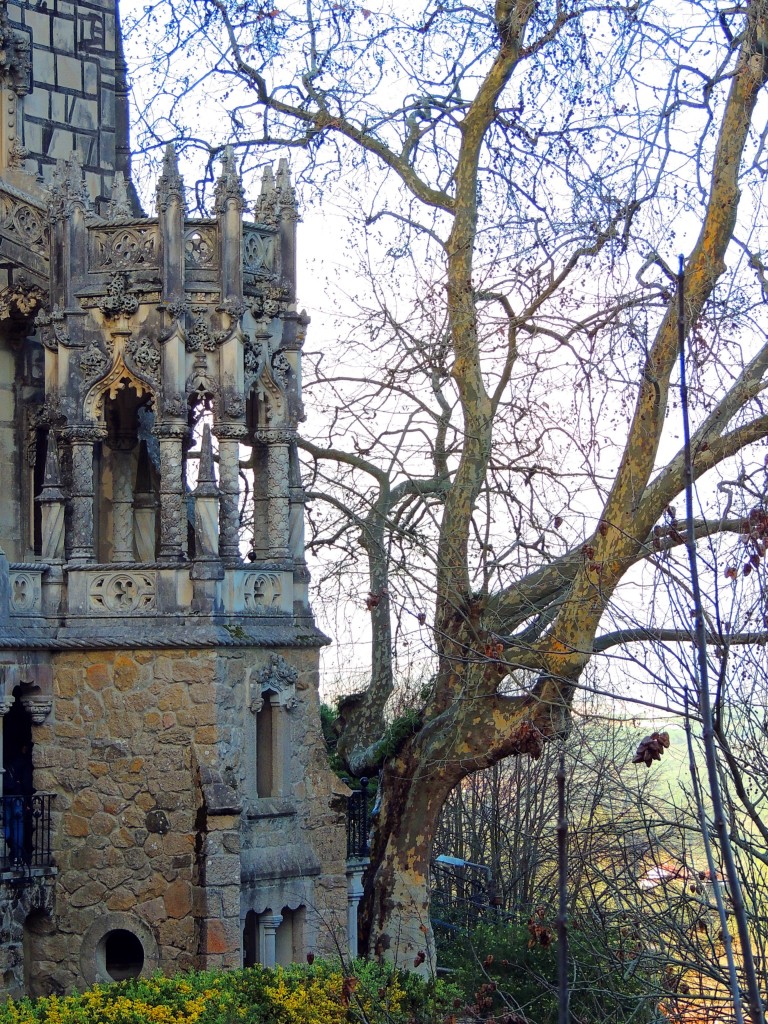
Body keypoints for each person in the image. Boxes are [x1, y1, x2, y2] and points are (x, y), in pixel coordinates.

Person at [4, 743, 33, 866]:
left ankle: (4, 849)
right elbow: (26, 783)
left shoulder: (5, 761)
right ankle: (17, 856)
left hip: (5, 797)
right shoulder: (21, 761)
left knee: (6, 824)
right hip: (18, 798)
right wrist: (27, 799)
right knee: (18, 827)